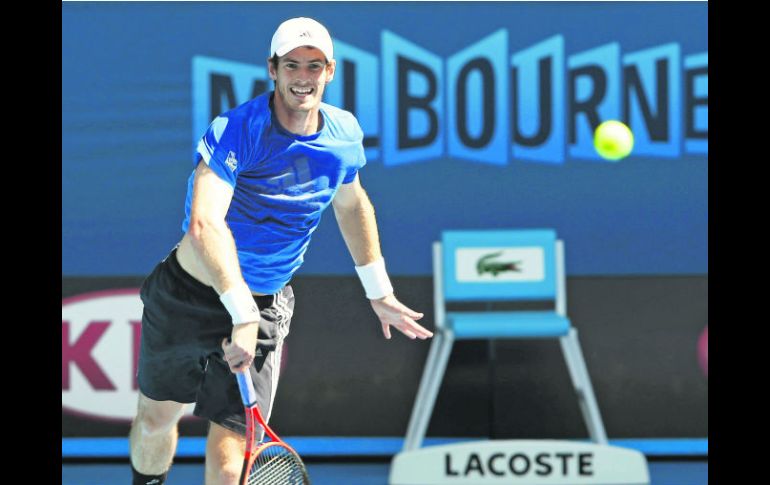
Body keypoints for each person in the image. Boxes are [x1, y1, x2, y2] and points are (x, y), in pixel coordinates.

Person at [128, 17, 433, 485]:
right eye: (292, 65)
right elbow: (205, 224)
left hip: (266, 303)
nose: (303, 77)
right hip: (188, 295)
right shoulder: (237, 129)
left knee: (231, 457)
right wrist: (240, 312)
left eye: (314, 66)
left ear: (330, 71)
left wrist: (378, 290)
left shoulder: (343, 135)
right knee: (155, 420)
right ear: (273, 69)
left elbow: (351, 204)